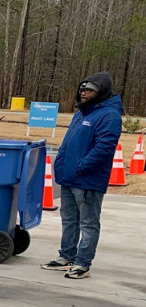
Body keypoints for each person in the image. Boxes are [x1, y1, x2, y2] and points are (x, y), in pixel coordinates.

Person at [41, 72, 123, 280]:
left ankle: (83, 263)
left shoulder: (109, 115)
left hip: (87, 179)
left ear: (101, 92)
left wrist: (82, 166)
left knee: (88, 223)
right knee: (69, 220)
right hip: (69, 176)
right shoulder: (82, 113)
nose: (83, 93)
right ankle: (67, 256)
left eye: (89, 90)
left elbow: (104, 148)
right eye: (82, 89)